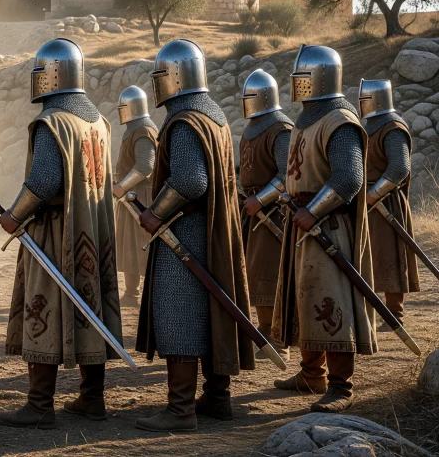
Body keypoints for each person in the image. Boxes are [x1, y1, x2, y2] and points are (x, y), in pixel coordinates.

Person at [0, 38, 122, 429]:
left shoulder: (53, 122)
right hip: (93, 232)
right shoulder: (97, 121)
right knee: (90, 306)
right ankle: (92, 398)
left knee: (41, 307)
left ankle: (39, 405)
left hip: (55, 231)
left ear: (50, 76)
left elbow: (44, 181)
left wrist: (14, 216)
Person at [135, 39, 252, 432]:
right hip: (216, 232)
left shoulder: (184, 120)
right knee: (211, 311)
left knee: (179, 314)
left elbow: (190, 180)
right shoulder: (214, 115)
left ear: (174, 77)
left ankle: (180, 410)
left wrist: (155, 213)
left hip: (185, 233)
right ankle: (217, 398)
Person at [272, 46, 376, 413]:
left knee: (331, 301)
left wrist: (313, 211)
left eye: (304, 78)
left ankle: (341, 387)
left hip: (329, 227)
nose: (298, 85)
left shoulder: (340, 121)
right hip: (304, 224)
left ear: (320, 79)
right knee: (305, 297)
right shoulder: (305, 121)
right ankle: (310, 373)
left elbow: (349, 177)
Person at [238, 70, 293, 357]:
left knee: (272, 271)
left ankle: (278, 337)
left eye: (251, 96)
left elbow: (287, 174)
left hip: (274, 213)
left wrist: (261, 199)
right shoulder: (251, 128)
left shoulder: (281, 129)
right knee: (255, 270)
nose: (247, 101)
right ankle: (263, 328)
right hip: (252, 211)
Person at [359, 79, 419, 329]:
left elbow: (399, 168)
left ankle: (395, 312)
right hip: (368, 202)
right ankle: (374, 310)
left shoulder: (392, 128)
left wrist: (374, 194)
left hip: (387, 202)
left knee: (391, 256)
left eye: (365, 99)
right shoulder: (370, 127)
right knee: (369, 255)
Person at [111, 85, 156, 305]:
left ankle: (148, 293)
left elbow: (145, 167)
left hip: (141, 197)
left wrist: (121, 187)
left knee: (142, 245)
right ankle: (131, 293)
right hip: (130, 196)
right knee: (129, 244)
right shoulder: (136, 129)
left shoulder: (144, 131)